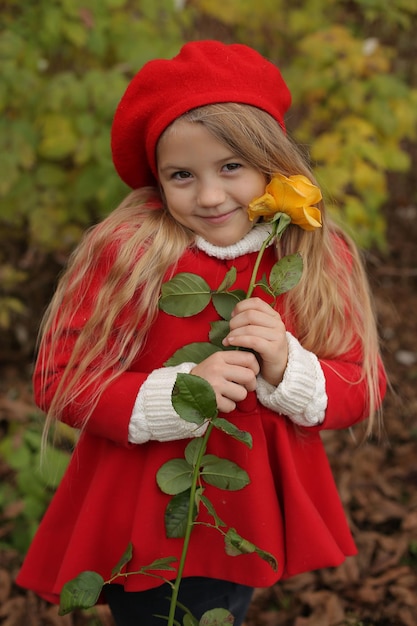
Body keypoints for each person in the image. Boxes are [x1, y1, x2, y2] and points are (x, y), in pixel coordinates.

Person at [17, 40, 386, 625]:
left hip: (246, 510)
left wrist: (286, 366)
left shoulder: (311, 251)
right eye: (182, 175)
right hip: (143, 509)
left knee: (221, 606)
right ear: (156, 179)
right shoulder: (131, 251)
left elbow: (359, 383)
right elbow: (59, 378)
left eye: (231, 166)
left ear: (273, 160)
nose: (210, 196)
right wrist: (181, 392)